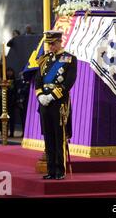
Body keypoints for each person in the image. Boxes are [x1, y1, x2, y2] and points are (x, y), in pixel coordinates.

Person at [35, 31, 78, 180]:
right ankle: (51, 170)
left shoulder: (69, 59)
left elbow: (68, 82)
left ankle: (60, 170)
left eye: (53, 43)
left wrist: (52, 96)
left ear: (60, 42)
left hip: (59, 103)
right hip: (45, 103)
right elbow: (38, 80)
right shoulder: (44, 60)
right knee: (48, 137)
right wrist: (41, 95)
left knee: (59, 137)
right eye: (49, 44)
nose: (51, 46)